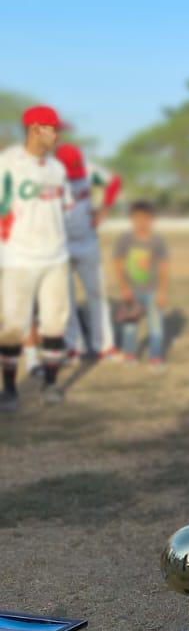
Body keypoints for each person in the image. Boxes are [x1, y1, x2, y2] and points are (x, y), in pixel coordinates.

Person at [0, 105, 73, 410]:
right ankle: (9, 392)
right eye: (53, 130)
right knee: (12, 327)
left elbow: (66, 206)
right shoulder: (7, 163)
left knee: (55, 324)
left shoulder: (57, 168)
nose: (57, 136)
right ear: (34, 130)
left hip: (56, 257)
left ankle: (51, 385)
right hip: (18, 259)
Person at [57, 142, 122, 360]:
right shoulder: (50, 174)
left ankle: (104, 345)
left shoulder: (88, 170)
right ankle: (74, 346)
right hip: (61, 246)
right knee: (66, 298)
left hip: (88, 242)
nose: (75, 176)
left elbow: (114, 181)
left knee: (97, 294)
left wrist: (104, 209)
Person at [112, 202, 170, 366]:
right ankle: (129, 355)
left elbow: (164, 267)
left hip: (153, 291)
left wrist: (162, 292)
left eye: (145, 219)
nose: (141, 222)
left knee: (156, 327)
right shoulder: (125, 239)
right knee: (130, 327)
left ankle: (155, 357)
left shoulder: (158, 241)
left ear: (152, 220)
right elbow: (118, 263)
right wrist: (124, 288)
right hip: (132, 291)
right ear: (131, 219)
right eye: (137, 219)